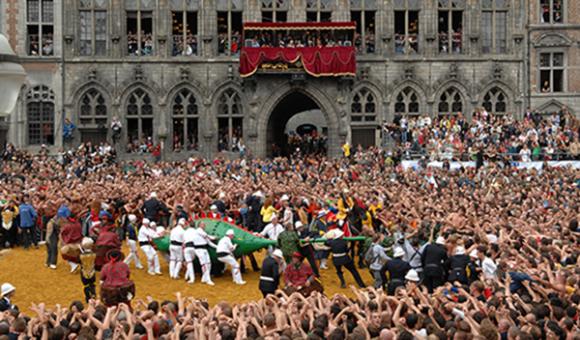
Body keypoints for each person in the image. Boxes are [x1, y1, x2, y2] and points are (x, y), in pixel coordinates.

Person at [188, 221, 217, 285]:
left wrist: (217, 247)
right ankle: (208, 279)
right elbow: (208, 237)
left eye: (204, 224)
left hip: (204, 249)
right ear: (199, 225)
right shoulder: (198, 230)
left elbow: (209, 242)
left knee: (208, 263)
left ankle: (204, 278)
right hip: (198, 249)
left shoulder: (202, 232)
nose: (204, 226)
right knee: (204, 264)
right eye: (202, 224)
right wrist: (213, 237)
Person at [79, 237, 96, 302]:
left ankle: (88, 297)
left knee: (86, 286)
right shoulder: (94, 254)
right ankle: (93, 294)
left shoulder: (81, 255)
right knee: (92, 284)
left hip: (84, 273)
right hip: (92, 272)